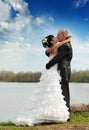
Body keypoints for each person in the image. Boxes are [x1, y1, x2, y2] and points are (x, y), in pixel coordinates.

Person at [15, 35, 71, 126]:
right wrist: (68, 39)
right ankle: (50, 115)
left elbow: (49, 52)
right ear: (52, 42)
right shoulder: (55, 46)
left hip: (50, 71)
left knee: (49, 92)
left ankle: (48, 114)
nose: (56, 38)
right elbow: (64, 42)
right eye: (54, 38)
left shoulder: (50, 48)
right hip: (52, 72)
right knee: (52, 91)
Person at [46, 29, 73, 114]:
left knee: (64, 91)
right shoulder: (62, 44)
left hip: (63, 70)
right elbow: (54, 52)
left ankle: (66, 113)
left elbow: (58, 57)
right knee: (60, 91)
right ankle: (61, 112)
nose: (57, 36)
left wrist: (48, 65)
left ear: (64, 36)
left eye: (58, 35)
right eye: (56, 34)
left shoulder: (66, 46)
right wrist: (48, 51)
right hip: (61, 70)